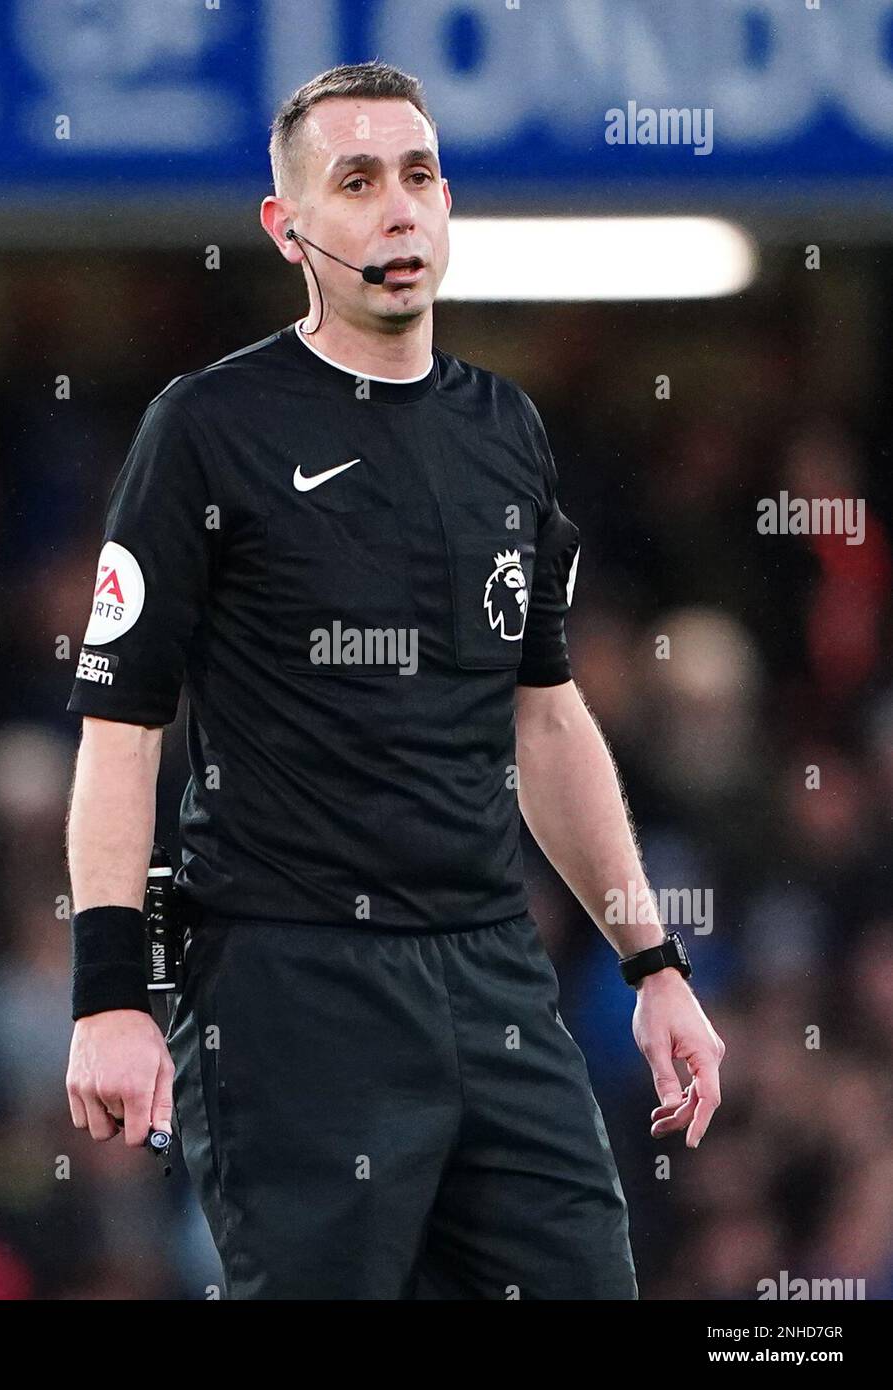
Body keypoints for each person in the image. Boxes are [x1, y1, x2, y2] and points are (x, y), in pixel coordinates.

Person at [64, 60, 725, 1300]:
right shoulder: (207, 429)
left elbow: (544, 715)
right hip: (289, 984)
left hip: (490, 972)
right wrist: (110, 995)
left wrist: (653, 966)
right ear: (288, 228)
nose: (397, 209)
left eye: (417, 175)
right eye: (355, 181)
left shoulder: (505, 431)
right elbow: (121, 728)